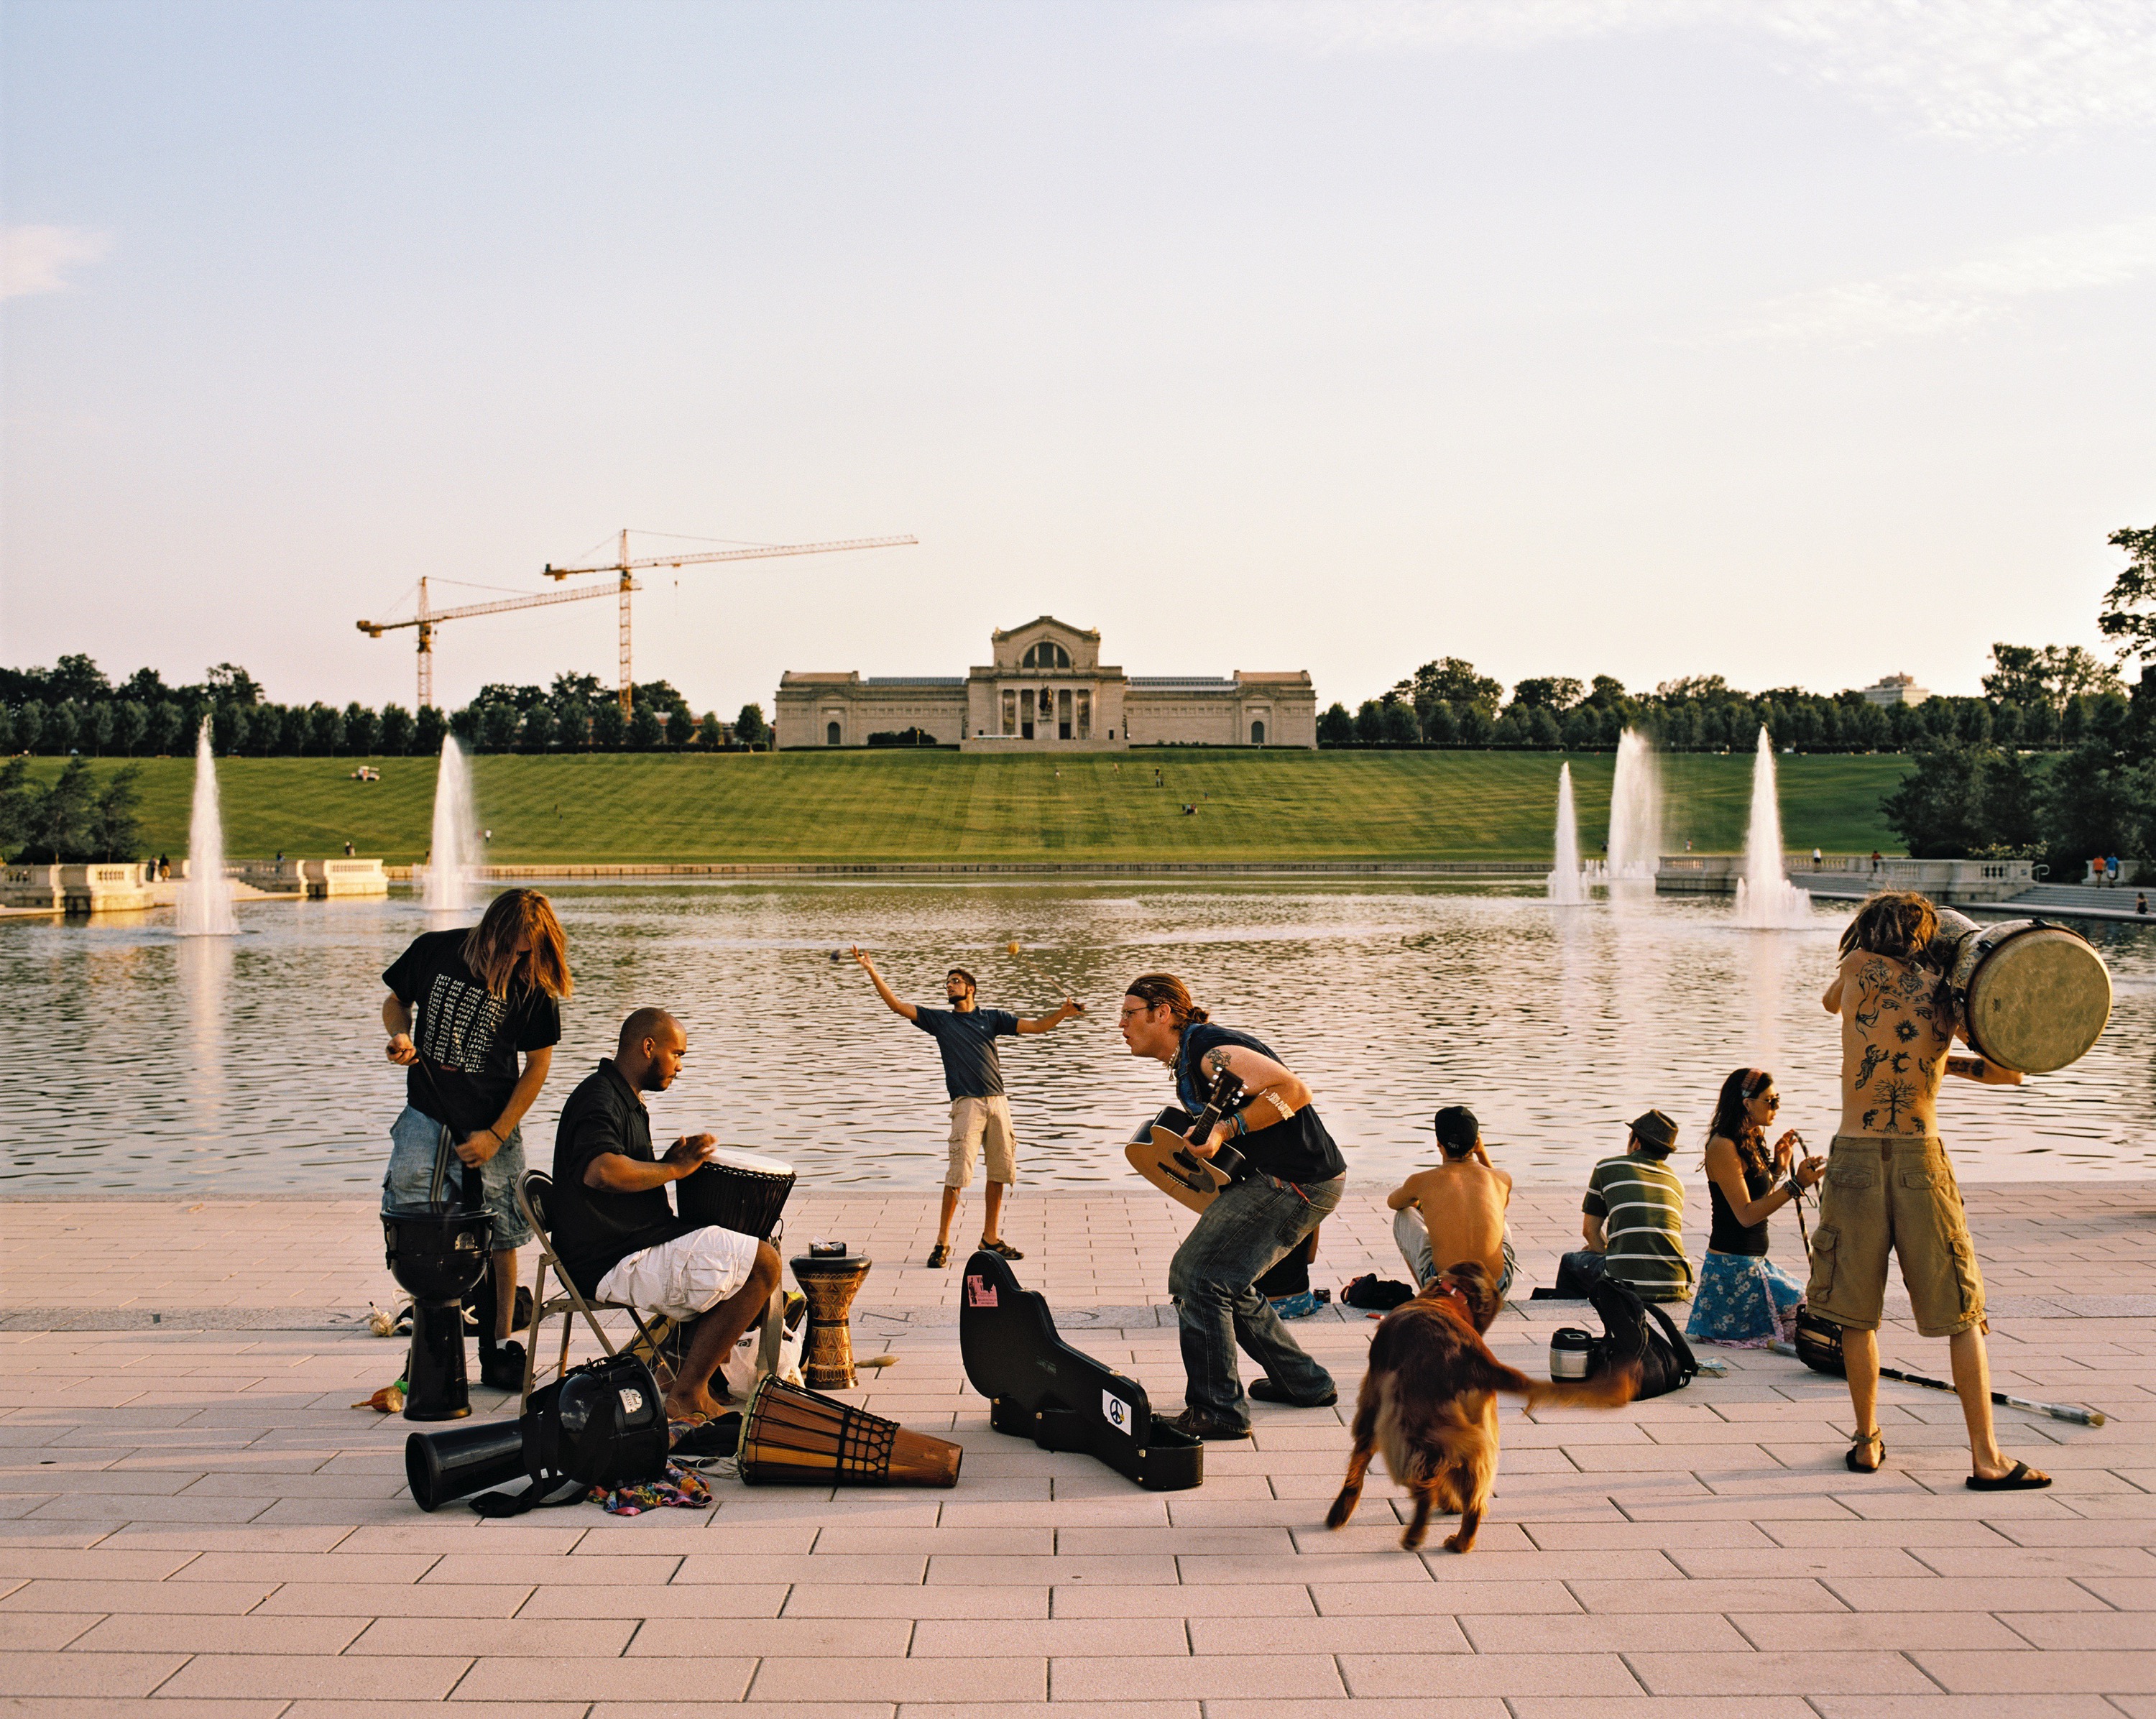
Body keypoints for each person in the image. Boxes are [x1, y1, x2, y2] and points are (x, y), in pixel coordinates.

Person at [1811, 890, 2046, 1487]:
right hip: (1921, 1155)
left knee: (1857, 1315)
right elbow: (2009, 1071)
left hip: (1856, 1155)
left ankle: (1867, 1442)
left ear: (1867, 929)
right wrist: (1944, 1062)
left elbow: (1828, 1002)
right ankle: (1986, 1457)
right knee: (1962, 1314)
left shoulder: (1856, 969)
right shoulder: (1947, 994)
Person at [1119, 972, 1346, 1439]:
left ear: (1163, 1013)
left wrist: (1225, 1129)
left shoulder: (1208, 1051)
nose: (1119, 1024)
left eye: (1129, 1014)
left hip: (1295, 1182)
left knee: (1197, 1275)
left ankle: (1219, 1410)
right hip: (1284, 1178)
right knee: (1224, 1279)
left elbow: (1294, 1091)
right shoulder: (1191, 1059)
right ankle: (1304, 1382)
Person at [548, 1010, 782, 1423]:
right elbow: (601, 1171)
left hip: (627, 1244)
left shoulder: (624, 1098)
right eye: (677, 1054)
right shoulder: (599, 1097)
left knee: (747, 1251)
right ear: (648, 1047)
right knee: (762, 1264)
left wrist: (664, 1163)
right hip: (612, 1258)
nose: (680, 1065)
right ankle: (688, 1393)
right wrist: (673, 1171)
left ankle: (675, 1374)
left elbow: (619, 1172)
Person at [382, 888, 570, 1391]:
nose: (513, 958)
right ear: (490, 928)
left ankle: (499, 1346)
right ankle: (430, 1342)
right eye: (508, 947)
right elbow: (396, 1002)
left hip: (493, 1122)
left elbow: (539, 1065)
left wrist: (496, 1134)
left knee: (502, 1235)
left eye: (525, 951)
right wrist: (401, 1037)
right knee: (419, 1226)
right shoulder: (434, 950)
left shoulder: (532, 986)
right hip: (425, 1114)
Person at [852, 950, 1083, 1268]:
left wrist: (1062, 1013)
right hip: (967, 1105)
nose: (949, 986)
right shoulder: (941, 1021)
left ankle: (990, 1237)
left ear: (971, 988)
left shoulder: (992, 1018)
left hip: (998, 1102)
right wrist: (871, 970)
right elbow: (896, 1005)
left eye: (955, 981)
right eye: (947, 983)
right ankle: (942, 1243)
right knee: (958, 1175)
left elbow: (1036, 1027)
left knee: (1001, 1171)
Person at [1685, 1069, 1824, 1345]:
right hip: (1733, 1271)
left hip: (1754, 1265)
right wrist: (1796, 1185)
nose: (1777, 1107)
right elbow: (1746, 1216)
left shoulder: (1752, 1136)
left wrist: (1777, 1169)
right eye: (1770, 1101)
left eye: (1777, 1100)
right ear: (1747, 1103)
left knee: (1814, 1312)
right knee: (1810, 1320)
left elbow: (1756, 1195)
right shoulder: (1723, 1145)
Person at [1554, 1110, 1690, 1301]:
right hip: (1675, 1283)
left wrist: (1605, 1252)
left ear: (1636, 1142)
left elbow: (1590, 1232)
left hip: (1627, 1283)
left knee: (1571, 1261)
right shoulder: (1675, 1182)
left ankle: (1570, 1323)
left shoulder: (1606, 1168)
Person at [1384, 1105, 1515, 1299]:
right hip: (1495, 1290)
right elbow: (1500, 1200)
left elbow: (1393, 1202)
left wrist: (1424, 1205)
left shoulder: (1421, 1180)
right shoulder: (1502, 1178)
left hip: (1449, 1291)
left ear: (1439, 1142)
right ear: (1476, 1142)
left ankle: (1428, 1294)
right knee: (1497, 1216)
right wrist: (1481, 1153)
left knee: (1403, 1216)